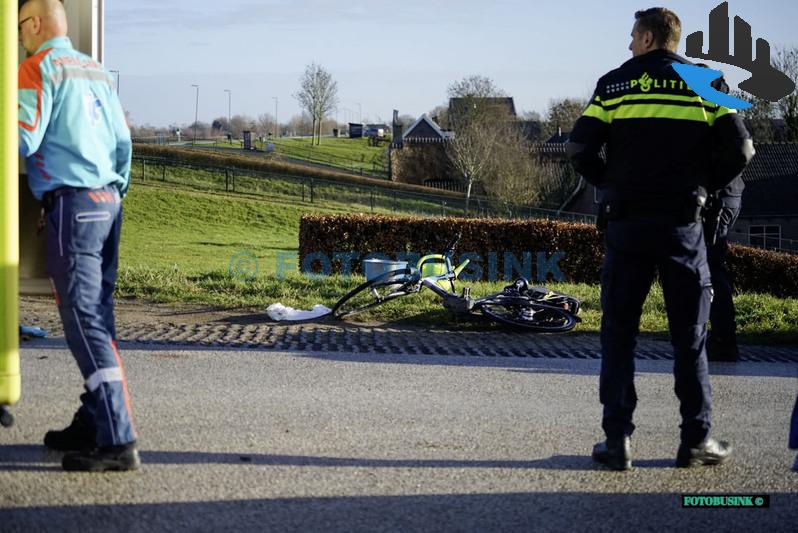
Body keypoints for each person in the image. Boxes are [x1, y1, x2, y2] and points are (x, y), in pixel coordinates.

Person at [566, 7, 753, 470]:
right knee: (690, 337)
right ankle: (696, 441)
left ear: (649, 38)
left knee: (618, 335)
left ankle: (617, 443)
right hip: (682, 225)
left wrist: (611, 184)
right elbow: (742, 149)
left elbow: (578, 148)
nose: (629, 45)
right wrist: (704, 187)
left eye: (633, 37)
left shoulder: (613, 84)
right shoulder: (705, 82)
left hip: (626, 224)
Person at [18, 0, 138, 472]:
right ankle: (93, 419)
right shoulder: (96, 71)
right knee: (100, 319)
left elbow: (22, 136)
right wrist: (113, 190)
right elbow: (123, 145)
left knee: (83, 321)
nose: (20, 36)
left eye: (20, 27)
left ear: (35, 24)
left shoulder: (38, 67)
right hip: (110, 201)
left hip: (74, 206)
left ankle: (117, 438)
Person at [696, 65, 745, 363]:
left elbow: (740, 151)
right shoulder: (721, 105)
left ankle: (724, 341)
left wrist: (711, 187)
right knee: (710, 267)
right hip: (726, 195)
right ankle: (717, 336)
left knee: (712, 267)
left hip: (718, 198)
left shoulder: (715, 107)